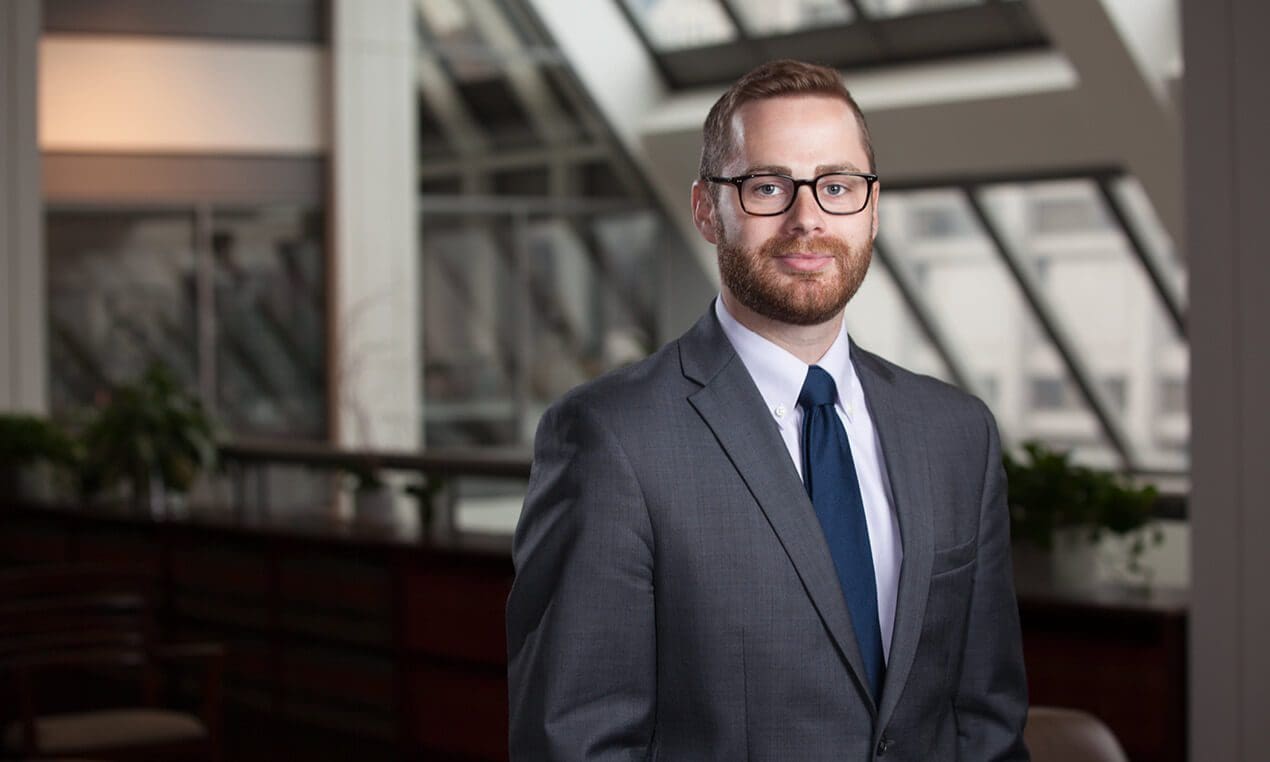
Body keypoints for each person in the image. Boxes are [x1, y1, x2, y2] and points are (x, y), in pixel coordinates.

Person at [506, 59, 1029, 761]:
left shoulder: (956, 433)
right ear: (706, 210)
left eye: (837, 186)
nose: (807, 218)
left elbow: (986, 723)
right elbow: (573, 743)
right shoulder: (611, 439)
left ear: (872, 209)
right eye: (768, 187)